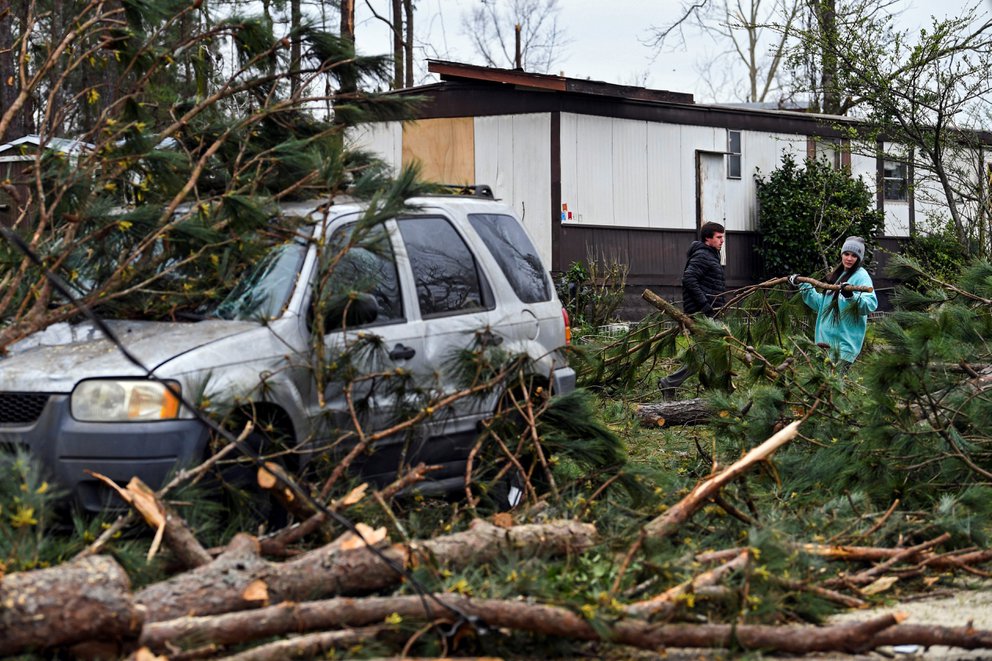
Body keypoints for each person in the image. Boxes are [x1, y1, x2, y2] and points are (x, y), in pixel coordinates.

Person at [657, 221, 726, 398]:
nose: (722, 241)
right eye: (719, 237)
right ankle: (670, 383)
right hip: (702, 314)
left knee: (712, 354)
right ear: (707, 239)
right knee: (705, 355)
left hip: (709, 312)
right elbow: (689, 279)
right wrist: (705, 305)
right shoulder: (703, 255)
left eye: (722, 237)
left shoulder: (711, 255)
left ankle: (716, 393)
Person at [789, 236, 878, 370]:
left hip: (844, 346)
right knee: (822, 388)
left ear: (859, 258)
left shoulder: (861, 276)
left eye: (854, 256)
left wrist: (850, 296)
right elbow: (822, 305)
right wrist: (803, 285)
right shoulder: (837, 275)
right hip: (824, 343)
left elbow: (870, 305)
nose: (849, 258)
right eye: (846, 254)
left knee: (835, 387)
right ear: (841, 254)